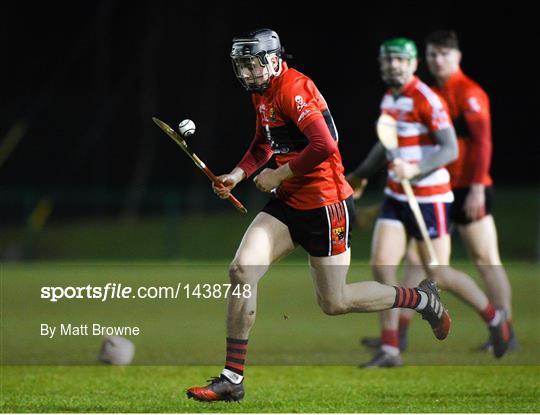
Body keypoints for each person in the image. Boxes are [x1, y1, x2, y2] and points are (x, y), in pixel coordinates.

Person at [186, 29, 451, 402]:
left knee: (334, 302)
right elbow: (265, 142)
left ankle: (422, 298)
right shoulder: (262, 92)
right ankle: (232, 378)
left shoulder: (294, 89)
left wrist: (279, 173)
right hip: (288, 202)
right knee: (242, 270)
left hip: (325, 205)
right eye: (241, 66)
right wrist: (238, 173)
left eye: (252, 64)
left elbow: (326, 142)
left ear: (275, 59)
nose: (246, 73)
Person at [347, 38, 510, 368]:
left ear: (412, 64)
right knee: (382, 265)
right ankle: (391, 348)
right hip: (396, 195)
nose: (393, 65)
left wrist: (416, 168)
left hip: (430, 198)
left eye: (399, 60)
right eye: (388, 60)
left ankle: (495, 319)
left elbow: (449, 149)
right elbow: (386, 144)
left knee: (438, 273)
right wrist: (362, 174)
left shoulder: (426, 98)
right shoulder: (389, 99)